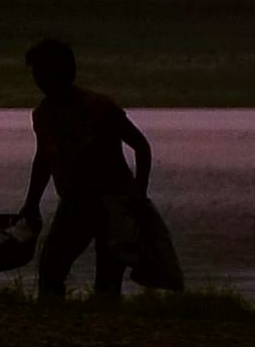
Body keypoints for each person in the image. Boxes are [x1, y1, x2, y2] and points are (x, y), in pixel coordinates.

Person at [14, 37, 152, 301]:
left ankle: (105, 329)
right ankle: (55, 323)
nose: (38, 80)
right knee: (51, 267)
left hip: (113, 201)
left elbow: (141, 146)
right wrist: (31, 203)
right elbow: (43, 159)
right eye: (36, 74)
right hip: (75, 202)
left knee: (109, 276)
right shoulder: (42, 115)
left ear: (63, 73)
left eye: (42, 73)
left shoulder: (100, 107)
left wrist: (139, 192)